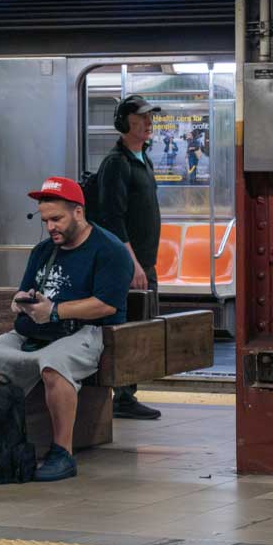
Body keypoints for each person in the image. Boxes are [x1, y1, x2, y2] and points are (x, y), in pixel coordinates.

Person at [0, 177, 132, 481]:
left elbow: (106, 305)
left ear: (79, 212)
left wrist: (55, 311)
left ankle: (62, 452)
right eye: (45, 221)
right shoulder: (44, 251)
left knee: (53, 366)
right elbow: (27, 289)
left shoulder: (108, 249)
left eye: (57, 219)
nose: (51, 227)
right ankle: (5, 438)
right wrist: (21, 302)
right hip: (35, 331)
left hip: (85, 332)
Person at [94, 94, 164, 421]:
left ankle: (127, 393)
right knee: (126, 328)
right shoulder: (116, 163)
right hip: (129, 265)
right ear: (125, 123)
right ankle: (122, 395)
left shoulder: (142, 158)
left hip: (144, 263)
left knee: (138, 326)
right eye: (142, 118)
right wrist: (132, 264)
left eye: (150, 118)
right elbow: (113, 219)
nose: (149, 122)